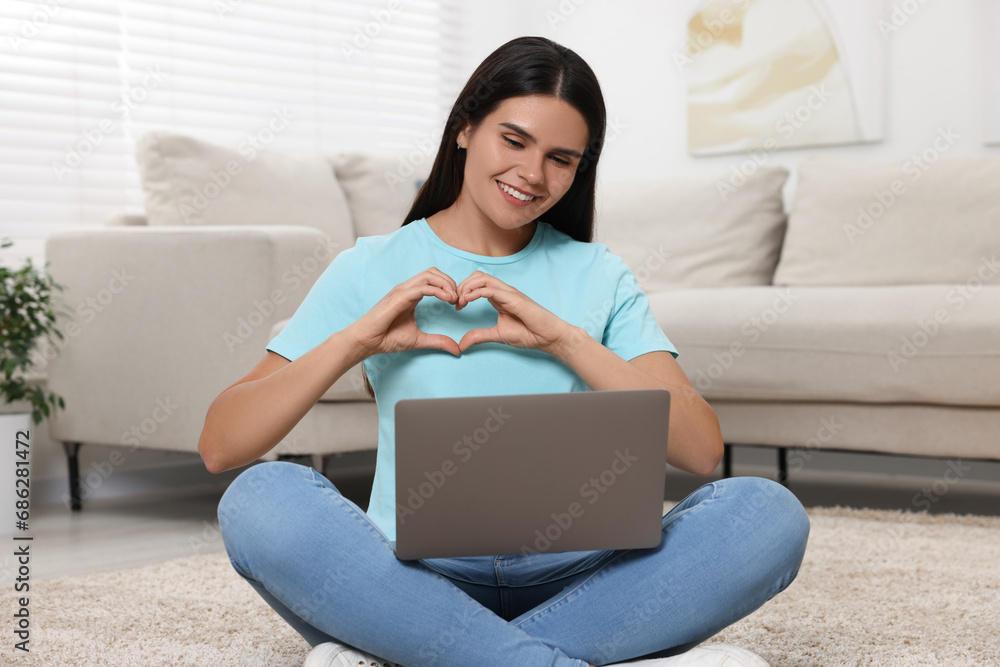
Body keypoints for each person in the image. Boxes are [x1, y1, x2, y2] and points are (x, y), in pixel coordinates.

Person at [199, 36, 810, 667]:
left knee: (767, 515)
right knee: (259, 499)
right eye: (513, 141)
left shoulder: (598, 274)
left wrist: (565, 339)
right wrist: (357, 340)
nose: (532, 174)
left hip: (587, 578)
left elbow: (701, 449)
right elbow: (223, 444)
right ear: (465, 128)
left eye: (561, 159)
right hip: (410, 580)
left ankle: (431, 656)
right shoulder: (370, 267)